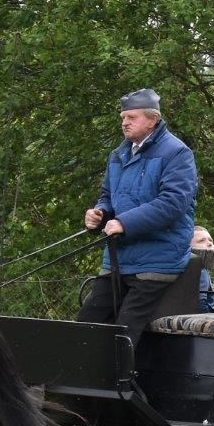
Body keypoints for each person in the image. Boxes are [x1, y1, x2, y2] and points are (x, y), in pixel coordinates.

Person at [77, 88, 198, 350]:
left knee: (122, 333)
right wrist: (99, 214)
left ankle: (120, 388)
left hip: (158, 260)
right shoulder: (119, 154)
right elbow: (108, 196)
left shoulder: (177, 153)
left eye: (131, 117)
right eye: (123, 117)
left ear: (152, 119)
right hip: (119, 259)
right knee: (86, 324)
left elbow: (173, 203)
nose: (124, 122)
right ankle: (76, 386)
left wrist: (124, 223)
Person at [191, 226, 214, 311]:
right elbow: (200, 306)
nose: (209, 243)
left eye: (211, 240)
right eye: (201, 240)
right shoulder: (199, 269)